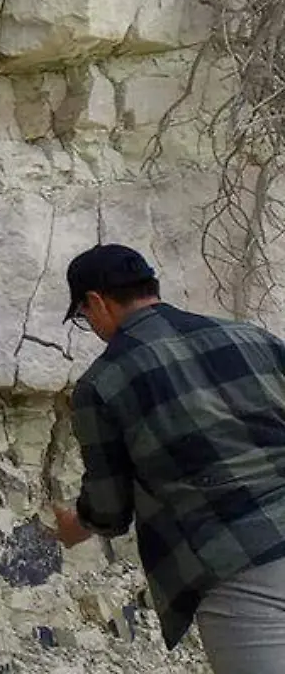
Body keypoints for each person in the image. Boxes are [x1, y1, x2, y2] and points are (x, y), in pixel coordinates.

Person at [51, 243, 285, 673]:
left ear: (96, 301)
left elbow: (110, 506)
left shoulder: (102, 384)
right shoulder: (254, 337)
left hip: (239, 560)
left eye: (85, 317)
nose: (94, 327)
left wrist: (76, 525)